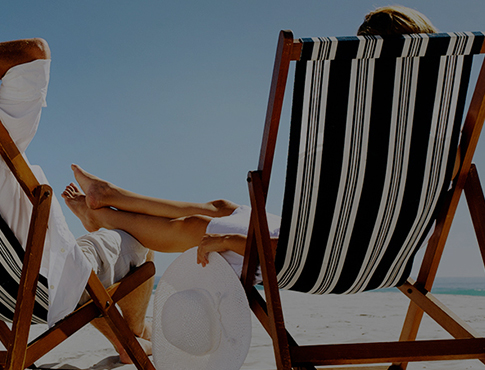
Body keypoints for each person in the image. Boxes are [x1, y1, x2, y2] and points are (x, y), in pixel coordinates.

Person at [61, 5, 439, 274]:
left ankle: (101, 217)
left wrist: (228, 244)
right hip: (353, 250)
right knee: (223, 207)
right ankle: (110, 197)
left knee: (198, 226)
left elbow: (326, 234)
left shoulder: (359, 132)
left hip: (314, 256)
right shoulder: (437, 134)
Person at [0, 38, 153, 364]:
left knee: (74, 264)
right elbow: (34, 53)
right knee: (144, 234)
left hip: (7, 297)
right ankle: (135, 336)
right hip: (45, 286)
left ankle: (125, 340)